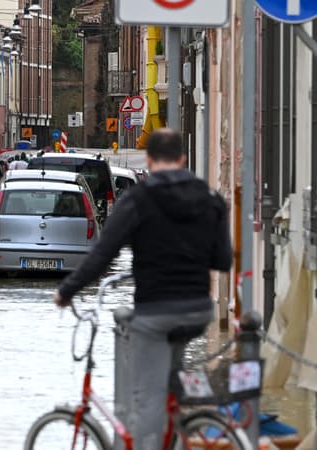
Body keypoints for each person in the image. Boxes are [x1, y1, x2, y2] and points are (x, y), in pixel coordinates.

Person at [53, 128, 232, 450]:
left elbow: (102, 255)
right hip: (198, 310)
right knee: (171, 386)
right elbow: (222, 260)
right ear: (182, 159)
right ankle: (181, 432)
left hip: (156, 310)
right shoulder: (210, 199)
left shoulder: (138, 200)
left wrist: (67, 291)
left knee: (147, 399)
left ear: (149, 160)